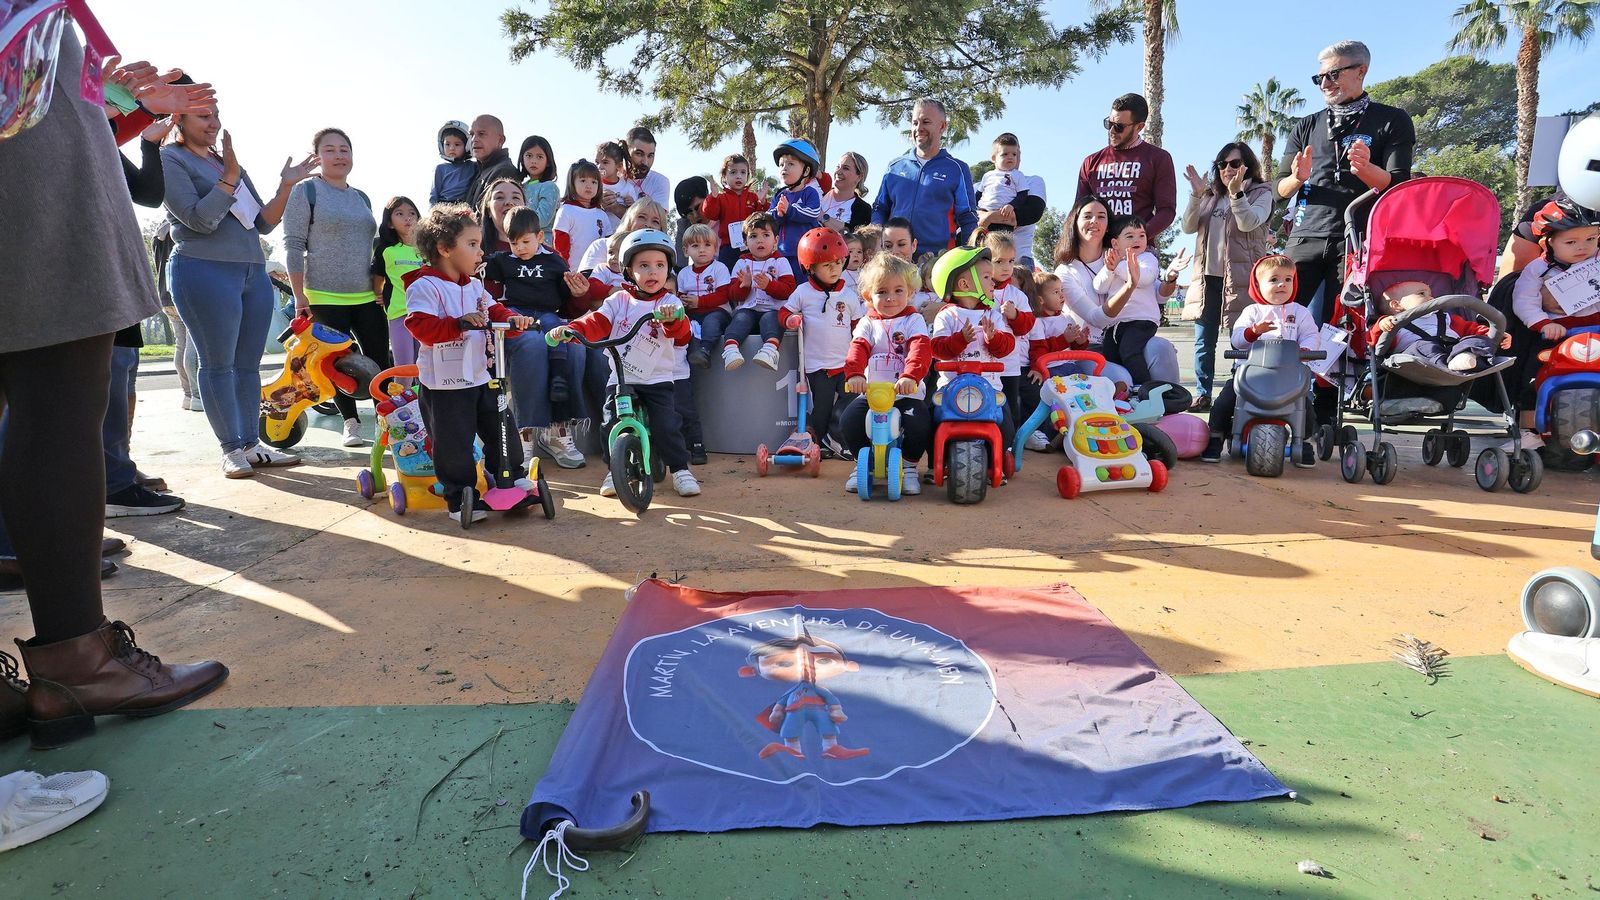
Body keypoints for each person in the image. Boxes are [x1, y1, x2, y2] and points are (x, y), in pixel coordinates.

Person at [4, 34, 228, 750]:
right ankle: (78, 664)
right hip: (28, 133)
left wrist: (119, 100)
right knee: (60, 393)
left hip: (34, 105)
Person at [163, 107, 317, 477]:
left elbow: (262, 222)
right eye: (203, 116)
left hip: (251, 271)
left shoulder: (225, 163)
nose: (213, 123)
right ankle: (230, 449)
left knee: (248, 365)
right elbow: (199, 219)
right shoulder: (170, 159)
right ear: (178, 119)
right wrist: (230, 177)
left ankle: (251, 444)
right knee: (217, 363)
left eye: (215, 115)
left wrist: (286, 186)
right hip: (203, 268)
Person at [401, 204, 537, 524]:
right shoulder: (424, 286)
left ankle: (510, 477)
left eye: (480, 244)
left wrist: (512, 320)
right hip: (444, 385)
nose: (481, 252)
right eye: (472, 244)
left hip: (480, 376)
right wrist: (458, 324)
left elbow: (494, 311)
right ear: (444, 248)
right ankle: (461, 496)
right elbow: (420, 326)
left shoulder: (475, 285)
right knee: (453, 443)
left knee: (501, 426)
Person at [548, 230, 703, 499]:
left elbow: (682, 335)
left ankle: (680, 470)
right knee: (610, 423)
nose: (653, 272)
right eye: (644, 265)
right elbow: (596, 322)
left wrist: (672, 319)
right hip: (621, 378)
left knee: (667, 425)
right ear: (629, 270)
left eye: (660, 265)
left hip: (657, 379)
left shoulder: (669, 302)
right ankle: (614, 470)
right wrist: (571, 330)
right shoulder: (618, 300)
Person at [1277, 40, 1415, 324]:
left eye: (1333, 74)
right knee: (1281, 317)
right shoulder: (1306, 125)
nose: (1325, 84)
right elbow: (1277, 190)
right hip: (1305, 234)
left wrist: (1366, 170)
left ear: (1361, 71)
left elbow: (1399, 186)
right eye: (1319, 78)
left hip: (1358, 239)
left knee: (1344, 324)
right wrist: (1296, 178)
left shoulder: (1392, 119)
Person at [282, 127, 385, 448]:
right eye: (330, 150)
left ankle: (387, 422)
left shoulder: (361, 197)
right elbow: (293, 244)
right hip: (324, 295)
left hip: (367, 296)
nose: (339, 155)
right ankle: (351, 422)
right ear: (317, 157)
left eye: (344, 149)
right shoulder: (306, 191)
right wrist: (299, 295)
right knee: (338, 363)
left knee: (380, 361)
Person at [482, 207, 591, 469]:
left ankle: (558, 426)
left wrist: (579, 292)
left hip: (547, 314)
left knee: (566, 338)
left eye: (525, 241)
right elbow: (479, 265)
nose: (519, 248)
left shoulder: (553, 260)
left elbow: (567, 293)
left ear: (540, 237)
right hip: (516, 314)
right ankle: (526, 432)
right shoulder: (504, 260)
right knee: (531, 343)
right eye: (514, 243)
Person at [1051, 195, 1183, 390]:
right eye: (1087, 216)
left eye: (1101, 216)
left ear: (1108, 225)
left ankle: (1171, 404)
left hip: (1127, 336)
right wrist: (1129, 287)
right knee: (1122, 380)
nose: (1094, 221)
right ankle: (1138, 399)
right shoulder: (1065, 271)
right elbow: (1097, 319)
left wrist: (1170, 278)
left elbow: (1159, 294)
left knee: (1161, 348)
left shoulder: (1123, 253)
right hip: (1088, 347)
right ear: (1074, 222)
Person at [1201, 255, 1321, 465]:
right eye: (1274, 280)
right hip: (1251, 375)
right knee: (1224, 402)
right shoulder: (1252, 311)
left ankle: (1303, 441)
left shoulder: (1300, 312)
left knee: (1306, 408)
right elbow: (1237, 340)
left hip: (1288, 377)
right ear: (1257, 285)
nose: (1282, 284)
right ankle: (1216, 437)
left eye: (1288, 279)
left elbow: (1311, 335)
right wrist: (1253, 332)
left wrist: (1306, 349)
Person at [1181, 142, 1274, 411]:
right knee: (1203, 342)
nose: (1228, 169)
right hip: (1207, 279)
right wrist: (1196, 195)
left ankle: (1236, 395)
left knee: (1241, 340)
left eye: (1235, 163)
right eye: (1223, 164)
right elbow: (1187, 226)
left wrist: (1236, 195)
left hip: (1242, 279)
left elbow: (1248, 222)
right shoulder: (1210, 196)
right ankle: (1203, 394)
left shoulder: (1262, 193)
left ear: (1248, 167)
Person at [1507, 199, 1600, 449]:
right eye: (1571, 242)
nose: (1582, 247)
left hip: (1597, 329)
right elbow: (1524, 300)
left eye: (1591, 239)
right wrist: (1543, 323)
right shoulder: (1538, 269)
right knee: (1533, 375)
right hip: (1557, 331)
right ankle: (1529, 431)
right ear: (1547, 242)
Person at [929, 245, 1032, 465]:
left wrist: (993, 338)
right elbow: (937, 348)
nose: (993, 282)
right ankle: (936, 464)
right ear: (965, 285)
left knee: (1005, 426)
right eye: (986, 277)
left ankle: (996, 461)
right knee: (934, 421)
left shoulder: (992, 314)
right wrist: (959, 340)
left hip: (989, 388)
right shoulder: (947, 316)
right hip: (951, 389)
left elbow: (1007, 346)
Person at [842, 252, 934, 493]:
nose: (890, 298)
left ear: (910, 292)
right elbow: (857, 348)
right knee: (849, 420)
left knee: (919, 423)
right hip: (873, 394)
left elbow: (920, 349)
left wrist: (910, 377)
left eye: (898, 291)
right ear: (868, 296)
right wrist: (855, 374)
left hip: (905, 393)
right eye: (882, 292)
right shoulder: (868, 322)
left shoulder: (913, 320)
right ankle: (861, 463)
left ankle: (909, 466)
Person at [777, 228, 865, 459]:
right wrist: (790, 319)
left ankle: (835, 437)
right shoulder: (803, 292)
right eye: (827, 265)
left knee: (850, 400)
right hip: (818, 365)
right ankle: (821, 444)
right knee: (822, 409)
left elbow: (858, 326)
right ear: (811, 267)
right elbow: (784, 312)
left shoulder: (848, 295)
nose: (834, 269)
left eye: (838, 262)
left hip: (846, 363)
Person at [871, 98, 977, 252]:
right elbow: (880, 208)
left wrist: (971, 254)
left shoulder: (957, 169)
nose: (919, 128)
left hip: (937, 259)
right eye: (915, 123)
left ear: (942, 126)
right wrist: (876, 237)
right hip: (895, 257)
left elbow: (967, 218)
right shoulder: (894, 167)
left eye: (926, 122)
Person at [1076, 93, 1176, 237]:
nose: (1111, 131)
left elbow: (1166, 211)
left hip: (1138, 247)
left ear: (1139, 127)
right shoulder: (1091, 162)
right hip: (1098, 246)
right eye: (1109, 124)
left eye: (1118, 127)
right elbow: (1078, 210)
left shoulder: (1158, 158)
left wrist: (1137, 238)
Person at [1093, 216, 1164, 387]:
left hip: (1142, 320)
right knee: (1110, 355)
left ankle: (1144, 387)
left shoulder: (1147, 259)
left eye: (1141, 235)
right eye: (1130, 236)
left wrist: (1118, 267)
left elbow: (1143, 279)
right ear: (1115, 243)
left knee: (1129, 350)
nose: (1137, 240)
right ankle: (1123, 391)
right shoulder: (1113, 262)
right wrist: (1109, 269)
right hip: (1116, 324)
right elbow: (1099, 287)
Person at [1019, 272, 1087, 450]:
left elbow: (1074, 347)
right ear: (1040, 300)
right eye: (1056, 292)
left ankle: (1083, 425)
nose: (1062, 295)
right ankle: (1055, 432)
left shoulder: (1066, 318)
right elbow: (1041, 349)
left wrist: (1080, 341)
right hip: (1052, 369)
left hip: (1071, 366)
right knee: (1058, 401)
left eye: (1061, 290)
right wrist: (1064, 339)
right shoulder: (1039, 322)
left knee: (1083, 394)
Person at [1372, 280, 1500, 372]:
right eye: (1422, 294)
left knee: (1477, 340)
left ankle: (1465, 356)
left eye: (1430, 294)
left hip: (1453, 348)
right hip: (1419, 361)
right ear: (1396, 305)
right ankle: (1450, 363)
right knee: (1421, 347)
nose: (1431, 298)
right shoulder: (1393, 322)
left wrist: (1494, 334)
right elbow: (1374, 341)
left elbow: (1471, 329)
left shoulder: (1446, 318)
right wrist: (1381, 325)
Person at [722, 212, 796, 370]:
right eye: (753, 236)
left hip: (772, 310)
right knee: (740, 319)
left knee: (772, 320)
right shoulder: (741, 263)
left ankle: (769, 351)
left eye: (766, 235)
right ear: (745, 241)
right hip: (748, 309)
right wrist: (744, 286)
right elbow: (732, 295)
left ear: (776, 240)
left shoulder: (780, 261)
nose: (760, 240)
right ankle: (730, 351)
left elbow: (789, 290)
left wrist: (769, 285)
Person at [976, 133, 1049, 268]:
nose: (1011, 157)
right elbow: (968, 213)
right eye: (1005, 153)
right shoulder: (980, 185)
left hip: (1018, 262)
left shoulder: (1032, 182)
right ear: (995, 157)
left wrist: (988, 216)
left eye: (1015, 153)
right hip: (983, 260)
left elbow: (1030, 214)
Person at [370, 196, 424, 372]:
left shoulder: (427, 250)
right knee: (404, 367)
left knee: (424, 367)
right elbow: (378, 277)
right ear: (390, 223)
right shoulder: (386, 250)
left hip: (426, 314)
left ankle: (421, 393)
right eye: (399, 214)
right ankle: (400, 392)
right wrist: (379, 294)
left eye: (412, 213)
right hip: (400, 314)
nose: (407, 218)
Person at [985, 232, 1032, 429]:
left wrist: (1015, 316)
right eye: (999, 261)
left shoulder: (1017, 295)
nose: (1006, 267)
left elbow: (1027, 326)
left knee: (1011, 410)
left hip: (1009, 365)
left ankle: (1012, 443)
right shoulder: (976, 292)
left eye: (1011, 261)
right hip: (983, 365)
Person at [679, 224, 733, 371]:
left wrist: (699, 301)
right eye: (695, 246)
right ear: (686, 251)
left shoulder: (719, 268)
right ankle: (685, 355)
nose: (702, 250)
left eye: (707, 245)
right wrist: (683, 302)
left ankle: (705, 350)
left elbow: (724, 295)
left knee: (711, 322)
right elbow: (680, 295)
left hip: (718, 311)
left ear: (715, 249)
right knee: (684, 323)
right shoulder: (683, 273)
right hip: (692, 313)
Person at [701, 153, 766, 268]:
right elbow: (710, 214)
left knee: (752, 274)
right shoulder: (721, 198)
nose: (738, 176)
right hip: (728, 247)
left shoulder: (753, 197)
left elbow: (762, 218)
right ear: (724, 176)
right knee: (727, 275)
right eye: (733, 172)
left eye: (743, 172)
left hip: (750, 246)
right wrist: (713, 197)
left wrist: (762, 202)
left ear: (747, 175)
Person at [769, 139, 824, 269]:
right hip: (783, 253)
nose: (784, 168)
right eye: (781, 164)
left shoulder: (810, 192)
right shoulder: (779, 195)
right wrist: (778, 213)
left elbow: (813, 212)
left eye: (791, 164)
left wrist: (790, 210)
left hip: (806, 254)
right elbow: (768, 218)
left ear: (806, 171)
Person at [552, 159, 609, 269]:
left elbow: (608, 244)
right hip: (572, 271)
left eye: (594, 182)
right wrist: (564, 268)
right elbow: (559, 244)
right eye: (583, 181)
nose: (589, 186)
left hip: (598, 273)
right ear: (572, 183)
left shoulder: (602, 214)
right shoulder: (566, 210)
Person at [466, 115, 519, 210]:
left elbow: (487, 214)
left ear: (500, 140)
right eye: (471, 134)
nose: (474, 139)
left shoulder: (504, 171)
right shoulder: (477, 170)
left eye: (481, 134)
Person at [594, 139, 639, 233]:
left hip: (620, 234)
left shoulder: (627, 187)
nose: (599, 167)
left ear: (618, 166)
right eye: (597, 162)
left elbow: (634, 216)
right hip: (597, 234)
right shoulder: (594, 185)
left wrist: (631, 204)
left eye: (605, 162)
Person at [820, 152, 872, 233]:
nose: (838, 172)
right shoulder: (819, 193)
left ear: (859, 176)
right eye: (838, 166)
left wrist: (822, 217)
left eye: (845, 168)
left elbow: (853, 236)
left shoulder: (863, 210)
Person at [516, 135, 560, 230]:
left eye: (539, 157)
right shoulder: (521, 187)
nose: (533, 161)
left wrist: (515, 222)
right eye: (529, 156)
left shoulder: (549, 187)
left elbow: (542, 219)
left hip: (543, 238)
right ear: (522, 159)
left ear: (548, 161)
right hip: (521, 237)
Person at [622, 126, 670, 209]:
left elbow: (655, 216)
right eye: (639, 154)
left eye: (650, 156)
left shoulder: (659, 181)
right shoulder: (608, 177)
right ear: (626, 152)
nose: (645, 162)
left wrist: (616, 208)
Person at [430, 120, 476, 206]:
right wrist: (432, 212)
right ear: (441, 145)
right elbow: (434, 195)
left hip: (465, 208)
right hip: (444, 207)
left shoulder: (473, 166)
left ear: (467, 146)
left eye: (457, 144)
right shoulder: (440, 168)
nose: (451, 148)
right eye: (447, 144)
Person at [477, 177, 526, 256]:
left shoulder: (543, 252)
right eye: (499, 197)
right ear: (488, 211)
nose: (509, 202)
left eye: (515, 197)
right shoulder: (476, 251)